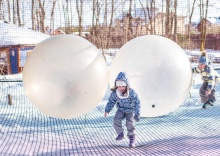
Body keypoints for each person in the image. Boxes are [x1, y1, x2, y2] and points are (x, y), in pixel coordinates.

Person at [104, 72, 141, 148]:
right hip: (121, 109)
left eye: (123, 86)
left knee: (129, 123)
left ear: (126, 85)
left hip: (130, 110)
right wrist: (107, 110)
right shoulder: (115, 93)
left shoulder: (131, 93)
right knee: (116, 120)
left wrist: (137, 114)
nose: (121, 88)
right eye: (119, 86)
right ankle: (120, 134)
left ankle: (132, 138)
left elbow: (137, 102)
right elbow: (111, 101)